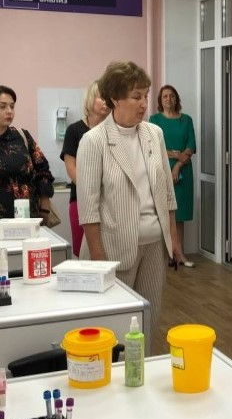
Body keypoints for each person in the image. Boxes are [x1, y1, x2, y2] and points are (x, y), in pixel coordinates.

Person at [76, 62, 180, 329]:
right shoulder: (94, 140)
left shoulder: (154, 134)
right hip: (113, 249)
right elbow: (88, 208)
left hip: (154, 246)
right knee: (116, 327)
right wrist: (99, 260)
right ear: (115, 98)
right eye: (136, 97)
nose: (144, 103)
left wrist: (173, 237)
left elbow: (166, 190)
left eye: (146, 95)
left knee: (148, 321)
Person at [60, 81, 110, 257]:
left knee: (108, 250)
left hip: (110, 201)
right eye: (101, 97)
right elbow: (71, 168)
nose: (106, 102)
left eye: (108, 98)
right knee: (82, 252)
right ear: (90, 99)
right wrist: (90, 192)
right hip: (81, 200)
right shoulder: (74, 130)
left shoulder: (113, 130)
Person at [150, 85, 196, 268]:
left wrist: (177, 166)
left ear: (176, 99)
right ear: (160, 101)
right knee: (163, 212)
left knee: (180, 214)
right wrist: (175, 155)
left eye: (171, 96)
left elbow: (191, 146)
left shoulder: (186, 120)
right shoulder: (154, 120)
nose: (168, 99)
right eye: (165, 96)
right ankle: (166, 254)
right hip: (162, 168)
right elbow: (153, 146)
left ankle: (179, 254)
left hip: (183, 170)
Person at [0, 85, 55, 222]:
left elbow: (43, 170)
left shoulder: (22, 136)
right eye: (2, 107)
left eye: (12, 106)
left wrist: (45, 206)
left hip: (28, 218)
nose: (9, 111)